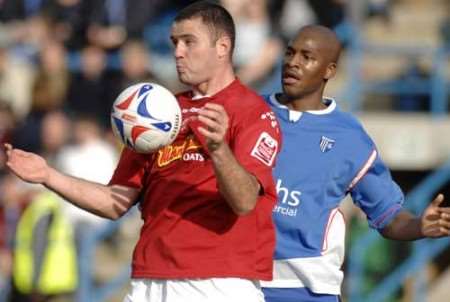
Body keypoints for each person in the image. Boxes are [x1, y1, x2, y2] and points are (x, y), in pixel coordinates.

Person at [4, 1, 281, 302]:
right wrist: (47, 175)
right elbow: (115, 201)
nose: (178, 52)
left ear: (222, 47)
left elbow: (244, 202)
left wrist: (218, 150)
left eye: (189, 42)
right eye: (175, 42)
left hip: (218, 281)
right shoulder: (158, 112)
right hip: (150, 279)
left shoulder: (253, 113)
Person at [260, 25, 450, 302]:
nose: (293, 63)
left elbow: (388, 215)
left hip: (307, 289)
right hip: (240, 281)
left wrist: (419, 225)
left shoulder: (349, 138)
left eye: (306, 56)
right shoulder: (251, 112)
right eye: (289, 53)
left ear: (330, 70)